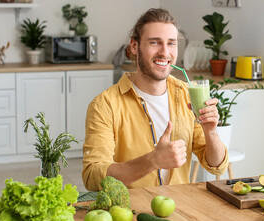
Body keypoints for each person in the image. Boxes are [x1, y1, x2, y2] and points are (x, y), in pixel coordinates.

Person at [82, 8, 228, 190]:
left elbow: (216, 165)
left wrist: (211, 132)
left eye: (171, 43)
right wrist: (153, 160)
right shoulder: (105, 104)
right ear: (134, 46)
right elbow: (93, 176)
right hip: (130, 214)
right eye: (155, 42)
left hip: (180, 208)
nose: (165, 52)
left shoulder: (186, 94)